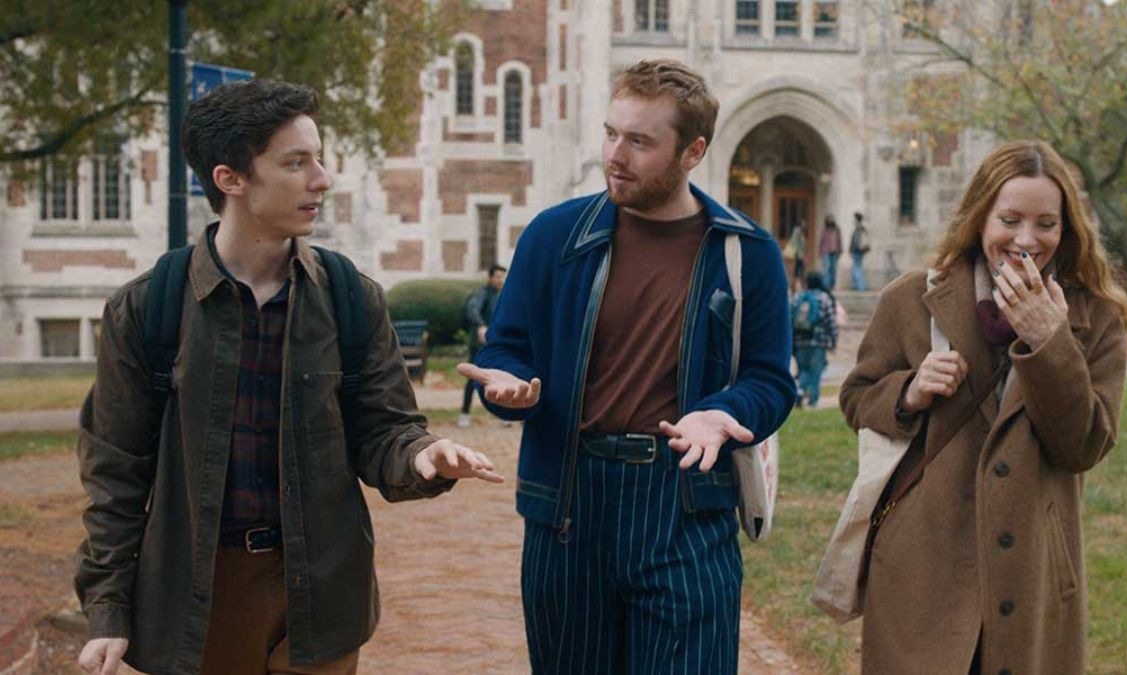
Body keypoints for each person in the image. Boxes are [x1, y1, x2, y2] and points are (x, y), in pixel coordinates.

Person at [74, 80, 504, 675]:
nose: (321, 179)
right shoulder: (149, 308)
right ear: (231, 179)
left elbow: (384, 431)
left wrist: (422, 455)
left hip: (323, 589)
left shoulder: (350, 297)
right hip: (201, 596)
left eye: (318, 159)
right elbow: (115, 476)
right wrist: (108, 611)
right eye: (296, 163)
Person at [458, 59, 794, 673]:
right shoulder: (552, 237)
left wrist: (723, 414)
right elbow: (504, 350)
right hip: (568, 507)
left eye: (639, 141)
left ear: (693, 151)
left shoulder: (747, 252)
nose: (615, 155)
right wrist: (506, 385)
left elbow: (771, 381)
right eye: (611, 133)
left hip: (685, 504)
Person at [839, 140, 1127, 675]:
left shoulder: (1097, 316)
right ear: (980, 218)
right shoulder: (910, 299)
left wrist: (1050, 343)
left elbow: (1084, 445)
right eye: (1009, 220)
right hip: (921, 568)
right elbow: (857, 397)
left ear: (1067, 228)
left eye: (1046, 223)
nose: (1026, 239)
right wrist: (908, 391)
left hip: (1031, 572)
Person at [459, 263, 507, 427]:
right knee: (473, 378)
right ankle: (464, 413)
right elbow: (472, 309)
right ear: (490, 277)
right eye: (498, 276)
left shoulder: (501, 295)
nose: (501, 280)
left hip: (495, 344)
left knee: (500, 377)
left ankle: (503, 414)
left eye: (503, 277)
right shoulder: (482, 293)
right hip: (479, 345)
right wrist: (480, 325)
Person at [791, 271, 838, 408]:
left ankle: (800, 391)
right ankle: (813, 401)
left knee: (803, 370)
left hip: (800, 342)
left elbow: (790, 318)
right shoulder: (824, 298)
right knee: (815, 372)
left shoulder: (798, 297)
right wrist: (833, 341)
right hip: (818, 342)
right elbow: (831, 322)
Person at [819, 214, 843, 290]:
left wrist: (840, 250)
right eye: (829, 220)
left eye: (831, 220)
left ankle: (832, 285)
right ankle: (825, 285)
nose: (830, 221)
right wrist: (820, 251)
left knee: (833, 270)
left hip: (834, 252)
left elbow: (839, 241)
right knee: (826, 268)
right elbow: (821, 241)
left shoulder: (837, 229)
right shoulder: (824, 230)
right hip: (825, 251)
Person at [849, 211, 871, 291]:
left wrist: (851, 250)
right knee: (856, 268)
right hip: (859, 251)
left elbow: (855, 242)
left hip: (857, 251)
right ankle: (856, 285)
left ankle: (861, 286)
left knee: (857, 268)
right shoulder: (861, 229)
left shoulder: (858, 229)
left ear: (856, 219)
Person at [785, 217, 807, 281]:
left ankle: (796, 282)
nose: (805, 225)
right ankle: (797, 282)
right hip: (798, 254)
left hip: (799, 254)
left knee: (798, 269)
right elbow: (795, 242)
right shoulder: (798, 231)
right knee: (800, 269)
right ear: (800, 224)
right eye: (804, 223)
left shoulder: (798, 231)